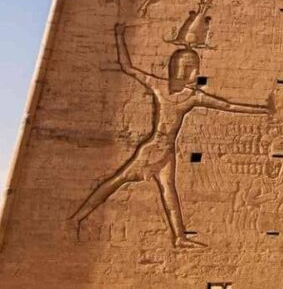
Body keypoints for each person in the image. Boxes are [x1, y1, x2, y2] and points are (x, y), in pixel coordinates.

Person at [70, 23, 271, 249]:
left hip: (166, 151)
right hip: (153, 148)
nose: (194, 71)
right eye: (190, 67)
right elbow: (127, 67)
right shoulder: (161, 87)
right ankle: (78, 217)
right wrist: (119, 36)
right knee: (118, 182)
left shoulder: (191, 95)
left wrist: (262, 110)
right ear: (180, 69)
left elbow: (229, 106)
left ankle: (179, 237)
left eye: (195, 66)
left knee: (168, 193)